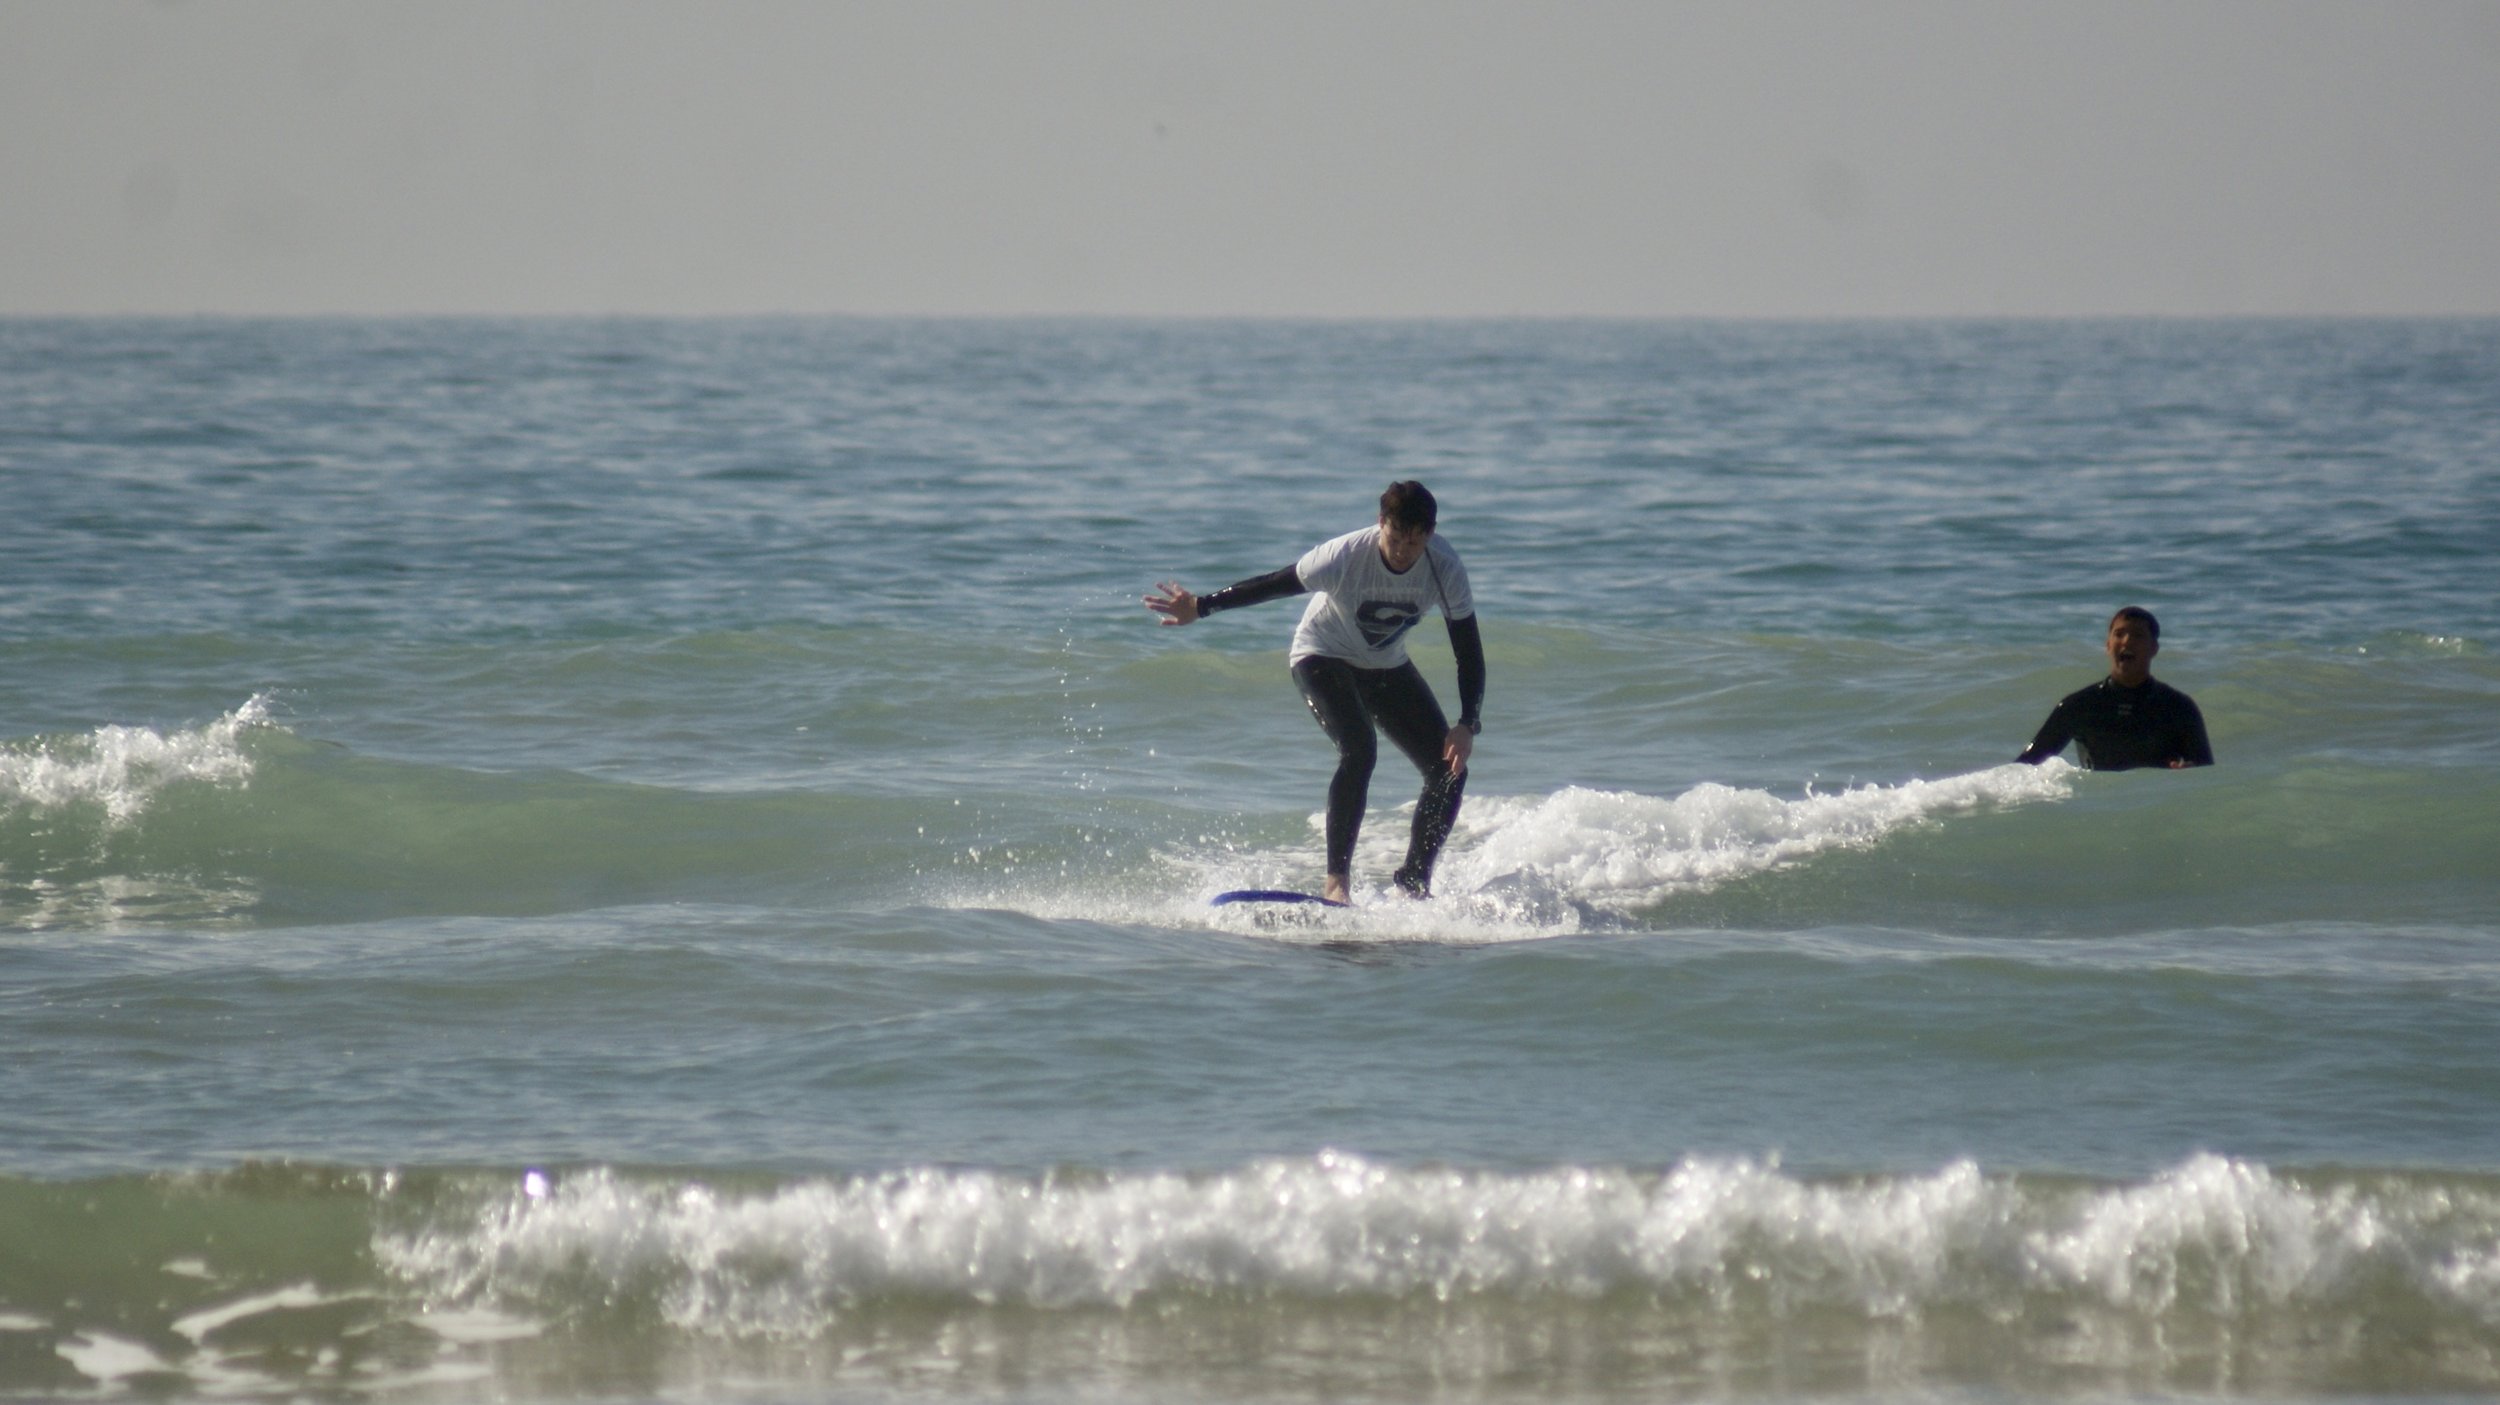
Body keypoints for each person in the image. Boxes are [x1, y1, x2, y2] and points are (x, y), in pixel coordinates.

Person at [1145, 481, 1485, 904]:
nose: (1402, 552)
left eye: (1413, 543)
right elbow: (1274, 583)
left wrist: (1468, 722)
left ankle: (1414, 883)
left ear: (1429, 536)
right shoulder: (1344, 556)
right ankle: (1336, 884)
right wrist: (1200, 606)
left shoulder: (1445, 568)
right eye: (1395, 539)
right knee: (1359, 748)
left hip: (1384, 663)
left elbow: (1468, 649)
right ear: (1381, 524)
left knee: (1449, 769)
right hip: (1321, 654)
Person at [2017, 606, 2214, 770]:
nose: (2126, 641)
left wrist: (2188, 771)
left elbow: (2205, 773)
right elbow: (2025, 766)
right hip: (2099, 806)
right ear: (2108, 645)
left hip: (2158, 805)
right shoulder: (2079, 706)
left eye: (2137, 635)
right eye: (2119, 634)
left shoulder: (2178, 707)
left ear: (2154, 648)